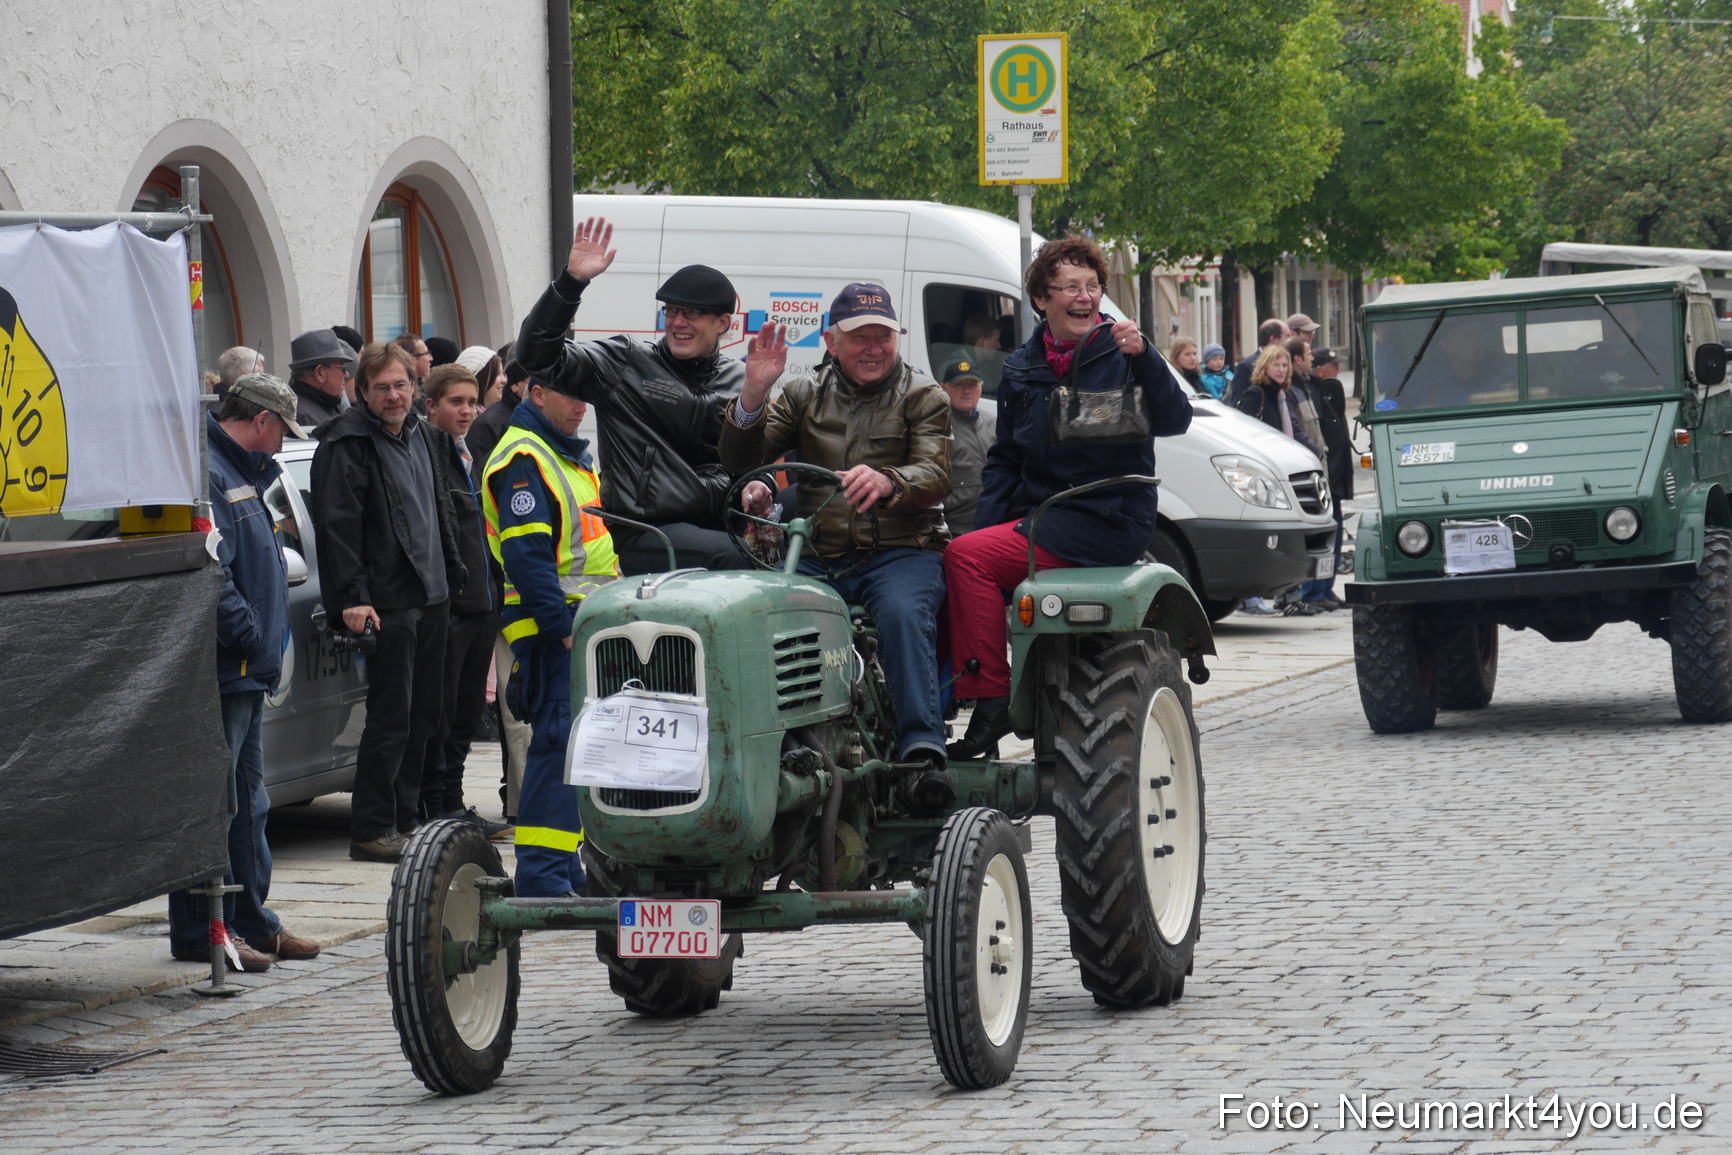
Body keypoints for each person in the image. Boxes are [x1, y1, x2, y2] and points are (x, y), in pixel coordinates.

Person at [943, 233, 1193, 759]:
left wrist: (1146, 356)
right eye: (1071, 287)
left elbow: (1176, 419)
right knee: (953, 560)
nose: (1085, 297)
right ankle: (937, 705)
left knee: (965, 561)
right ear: (1041, 299)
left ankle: (988, 702)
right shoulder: (1020, 367)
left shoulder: (1123, 352)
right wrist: (979, 535)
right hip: (1043, 517)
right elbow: (1005, 461)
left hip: (1107, 516)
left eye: (1093, 286)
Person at [720, 283, 956, 811]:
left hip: (901, 549)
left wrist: (893, 482)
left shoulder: (924, 394)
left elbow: (937, 472)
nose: (873, 347)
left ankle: (923, 751)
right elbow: (743, 457)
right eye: (859, 337)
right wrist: (754, 396)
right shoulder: (803, 391)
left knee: (899, 612)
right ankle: (775, 748)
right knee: (759, 619)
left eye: (883, 337)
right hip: (818, 555)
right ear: (831, 340)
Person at [168, 373, 321, 972]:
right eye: (283, 428)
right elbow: (214, 576)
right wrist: (250, 635)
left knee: (251, 804)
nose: (284, 442)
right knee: (219, 804)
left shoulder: (242, 475)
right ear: (261, 420)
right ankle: (205, 930)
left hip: (246, 671)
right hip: (226, 668)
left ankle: (253, 922)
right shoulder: (212, 475)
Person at [515, 216, 753, 574]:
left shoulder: (740, 378)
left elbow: (755, 458)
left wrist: (760, 485)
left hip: (719, 527)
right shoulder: (626, 361)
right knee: (733, 557)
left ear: (723, 324)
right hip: (648, 531)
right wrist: (570, 284)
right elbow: (536, 354)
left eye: (691, 313)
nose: (677, 322)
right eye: (671, 311)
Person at [311, 342, 466, 863]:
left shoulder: (422, 432)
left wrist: (454, 571)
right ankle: (373, 827)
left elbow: (438, 508)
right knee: (390, 718)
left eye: (401, 385)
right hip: (388, 601)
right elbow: (338, 527)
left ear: (414, 387)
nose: (394, 395)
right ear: (360, 391)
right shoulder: (346, 442)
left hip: (433, 595)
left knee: (427, 717)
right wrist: (353, 598)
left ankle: (406, 820)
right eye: (382, 388)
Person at [482, 367, 619, 896]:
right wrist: (562, 628)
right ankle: (540, 875)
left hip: (585, 624)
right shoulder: (525, 457)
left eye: (587, 393)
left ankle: (563, 869)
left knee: (578, 750)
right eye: (570, 393)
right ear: (536, 394)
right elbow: (527, 556)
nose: (581, 404)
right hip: (560, 627)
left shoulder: (561, 452)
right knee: (560, 746)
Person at [418, 364, 509, 837]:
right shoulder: (427, 454)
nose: (468, 411)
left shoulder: (472, 451)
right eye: (457, 402)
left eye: (473, 402)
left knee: (468, 711)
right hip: (452, 606)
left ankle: (451, 802)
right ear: (431, 405)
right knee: (443, 712)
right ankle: (438, 805)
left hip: (484, 601)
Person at [467, 357, 533, 820]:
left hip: (531, 591)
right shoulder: (499, 431)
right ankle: (524, 806)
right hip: (512, 591)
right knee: (521, 713)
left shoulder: (528, 428)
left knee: (528, 711)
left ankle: (523, 802)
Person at [940, 362, 996, 536]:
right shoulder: (936, 427)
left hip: (994, 524)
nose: (966, 391)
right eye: (959, 385)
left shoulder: (994, 423)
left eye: (971, 385)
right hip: (955, 529)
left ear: (981, 387)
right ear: (944, 388)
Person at [287, 329, 352, 430]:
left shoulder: (322, 405)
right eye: (342, 369)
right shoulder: (306, 419)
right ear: (320, 373)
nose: (346, 375)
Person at [1226, 318, 1292, 406]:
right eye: (1287, 336)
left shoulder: (1287, 361)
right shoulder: (1246, 366)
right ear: (1273, 339)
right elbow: (1238, 402)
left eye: (1284, 366)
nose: (1290, 341)